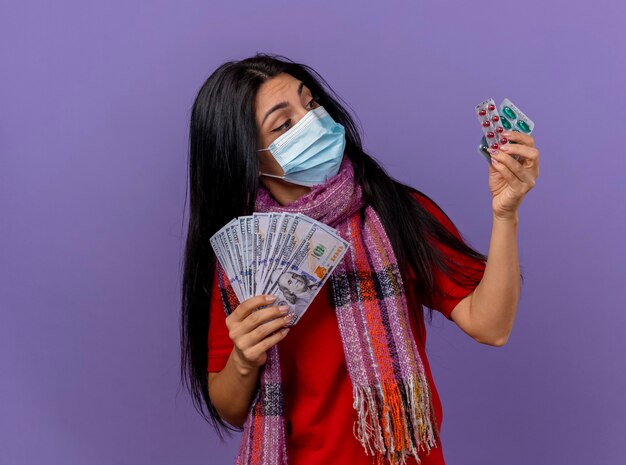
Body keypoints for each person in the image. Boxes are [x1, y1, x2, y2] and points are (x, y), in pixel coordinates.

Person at [180, 53, 540, 465]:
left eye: (310, 103)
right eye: (283, 124)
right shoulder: (242, 256)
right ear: (246, 156)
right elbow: (230, 407)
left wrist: (505, 214)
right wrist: (244, 359)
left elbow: (491, 325)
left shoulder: (395, 212)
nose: (313, 122)